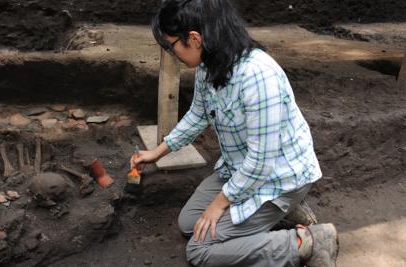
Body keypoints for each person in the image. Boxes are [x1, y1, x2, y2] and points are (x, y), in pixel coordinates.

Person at [130, 0, 339, 266]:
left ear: (194, 39)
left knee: (199, 249)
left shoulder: (258, 76)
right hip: (241, 170)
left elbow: (261, 162)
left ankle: (307, 242)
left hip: (277, 179)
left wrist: (219, 204)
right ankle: (278, 215)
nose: (173, 54)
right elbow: (197, 115)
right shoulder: (209, 65)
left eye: (171, 47)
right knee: (189, 223)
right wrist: (156, 153)